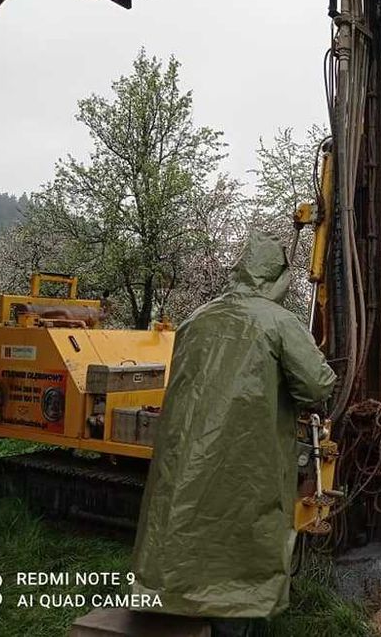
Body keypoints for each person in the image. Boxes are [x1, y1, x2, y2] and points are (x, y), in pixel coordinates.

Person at [132, 230, 336, 636]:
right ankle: (235, 619)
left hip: (184, 452)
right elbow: (317, 386)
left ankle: (172, 602)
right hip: (247, 457)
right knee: (241, 540)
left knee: (184, 524)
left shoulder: (196, 319)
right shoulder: (278, 322)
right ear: (278, 279)